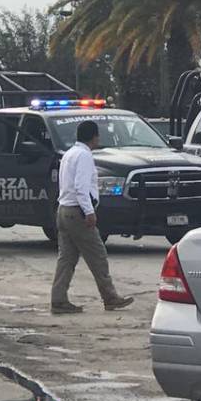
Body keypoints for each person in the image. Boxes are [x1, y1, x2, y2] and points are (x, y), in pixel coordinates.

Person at [50, 120, 134, 315]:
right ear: (94, 136)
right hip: (77, 212)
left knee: (66, 259)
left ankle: (59, 299)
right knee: (98, 255)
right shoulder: (84, 156)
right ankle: (110, 297)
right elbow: (81, 187)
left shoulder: (69, 154)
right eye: (98, 135)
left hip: (63, 210)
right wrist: (89, 212)